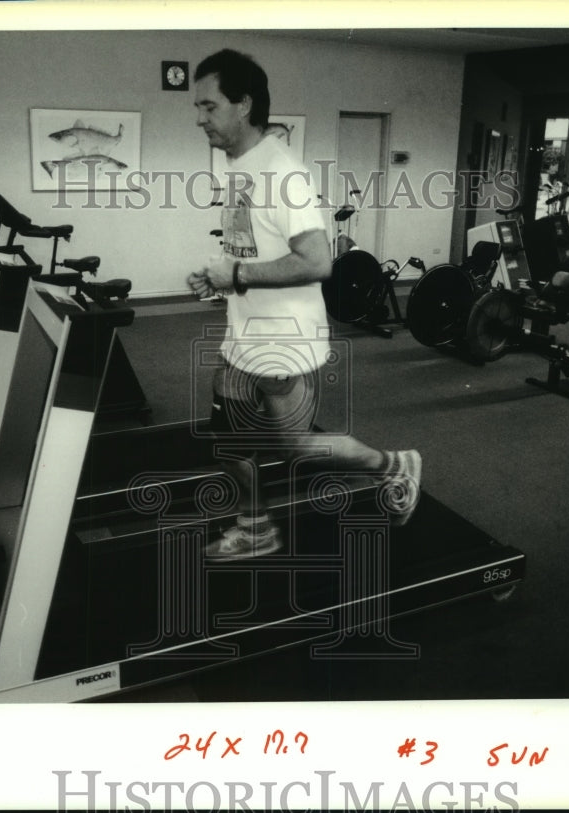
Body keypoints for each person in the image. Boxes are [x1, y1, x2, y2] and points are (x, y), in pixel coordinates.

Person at [187, 49, 421, 560]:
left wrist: (239, 274)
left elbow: (318, 261)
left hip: (283, 341)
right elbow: (250, 247)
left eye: (209, 105)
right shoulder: (240, 166)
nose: (199, 116)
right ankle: (256, 528)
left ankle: (392, 466)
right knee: (237, 442)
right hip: (247, 333)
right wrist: (220, 278)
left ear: (243, 104)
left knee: (288, 447)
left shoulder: (281, 172)